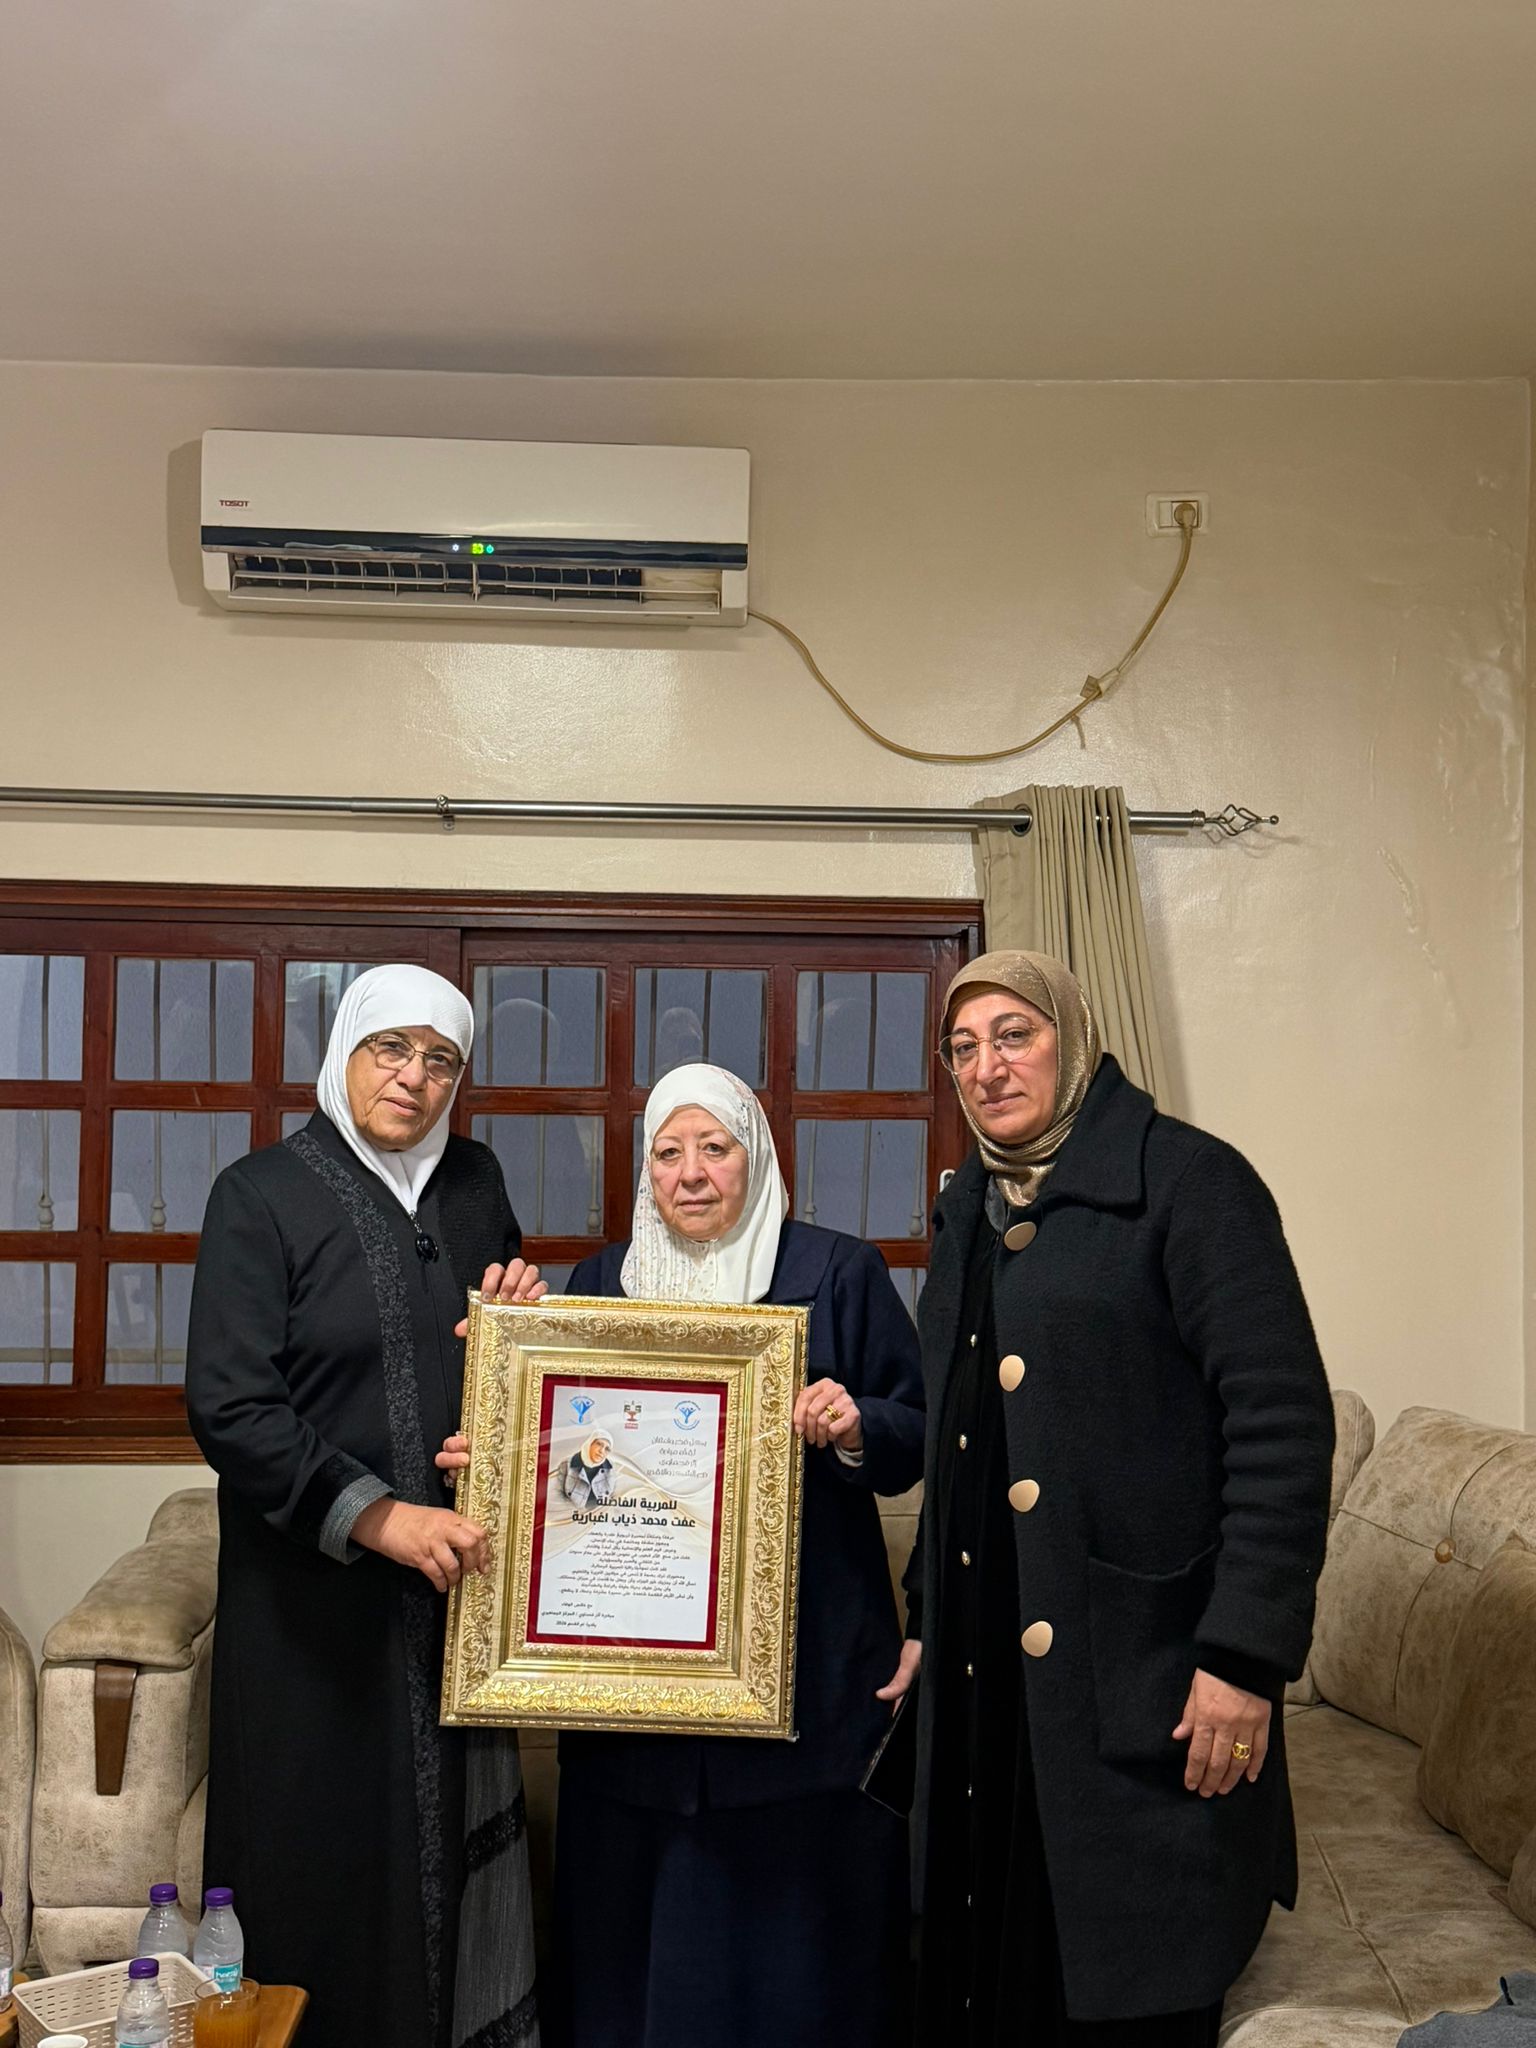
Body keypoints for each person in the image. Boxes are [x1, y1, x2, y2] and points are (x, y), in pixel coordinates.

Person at [885, 951, 1334, 2046]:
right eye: (962, 1048)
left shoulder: (1191, 1181)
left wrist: (1243, 1658)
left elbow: (1281, 1425)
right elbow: (961, 1434)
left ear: (1074, 1039)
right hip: (982, 1669)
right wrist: (927, 1617)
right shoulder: (969, 1202)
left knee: (1121, 1987)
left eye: (1015, 1035)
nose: (987, 1068)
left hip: (1139, 1668)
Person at [442, 1061, 925, 2048]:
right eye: (668, 1152)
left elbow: (916, 1435)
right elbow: (571, 1466)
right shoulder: (602, 1282)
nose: (691, 1173)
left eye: (715, 1147)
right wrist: (498, 1462)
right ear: (645, 1171)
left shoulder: (838, 1271)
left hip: (804, 1692)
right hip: (637, 1713)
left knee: (800, 1972)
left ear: (758, 1156)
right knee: (638, 1970)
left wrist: (852, 1425)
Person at [186, 964, 539, 2048]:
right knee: (319, 1865)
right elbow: (231, 1405)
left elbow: (488, 1363)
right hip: (311, 1615)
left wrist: (511, 1363)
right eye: (392, 1047)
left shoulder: (474, 1184)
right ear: (345, 1050)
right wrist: (380, 1516)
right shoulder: (260, 1194)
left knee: (449, 1866)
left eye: (440, 1059)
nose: (413, 1076)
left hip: (450, 1596)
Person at [561, 1429, 616, 1507]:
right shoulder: (567, 1464)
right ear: (590, 1443)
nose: (601, 1451)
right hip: (571, 1513)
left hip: (601, 1513)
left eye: (607, 1449)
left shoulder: (611, 1468)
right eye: (599, 1444)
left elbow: (615, 1498)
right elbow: (556, 1496)